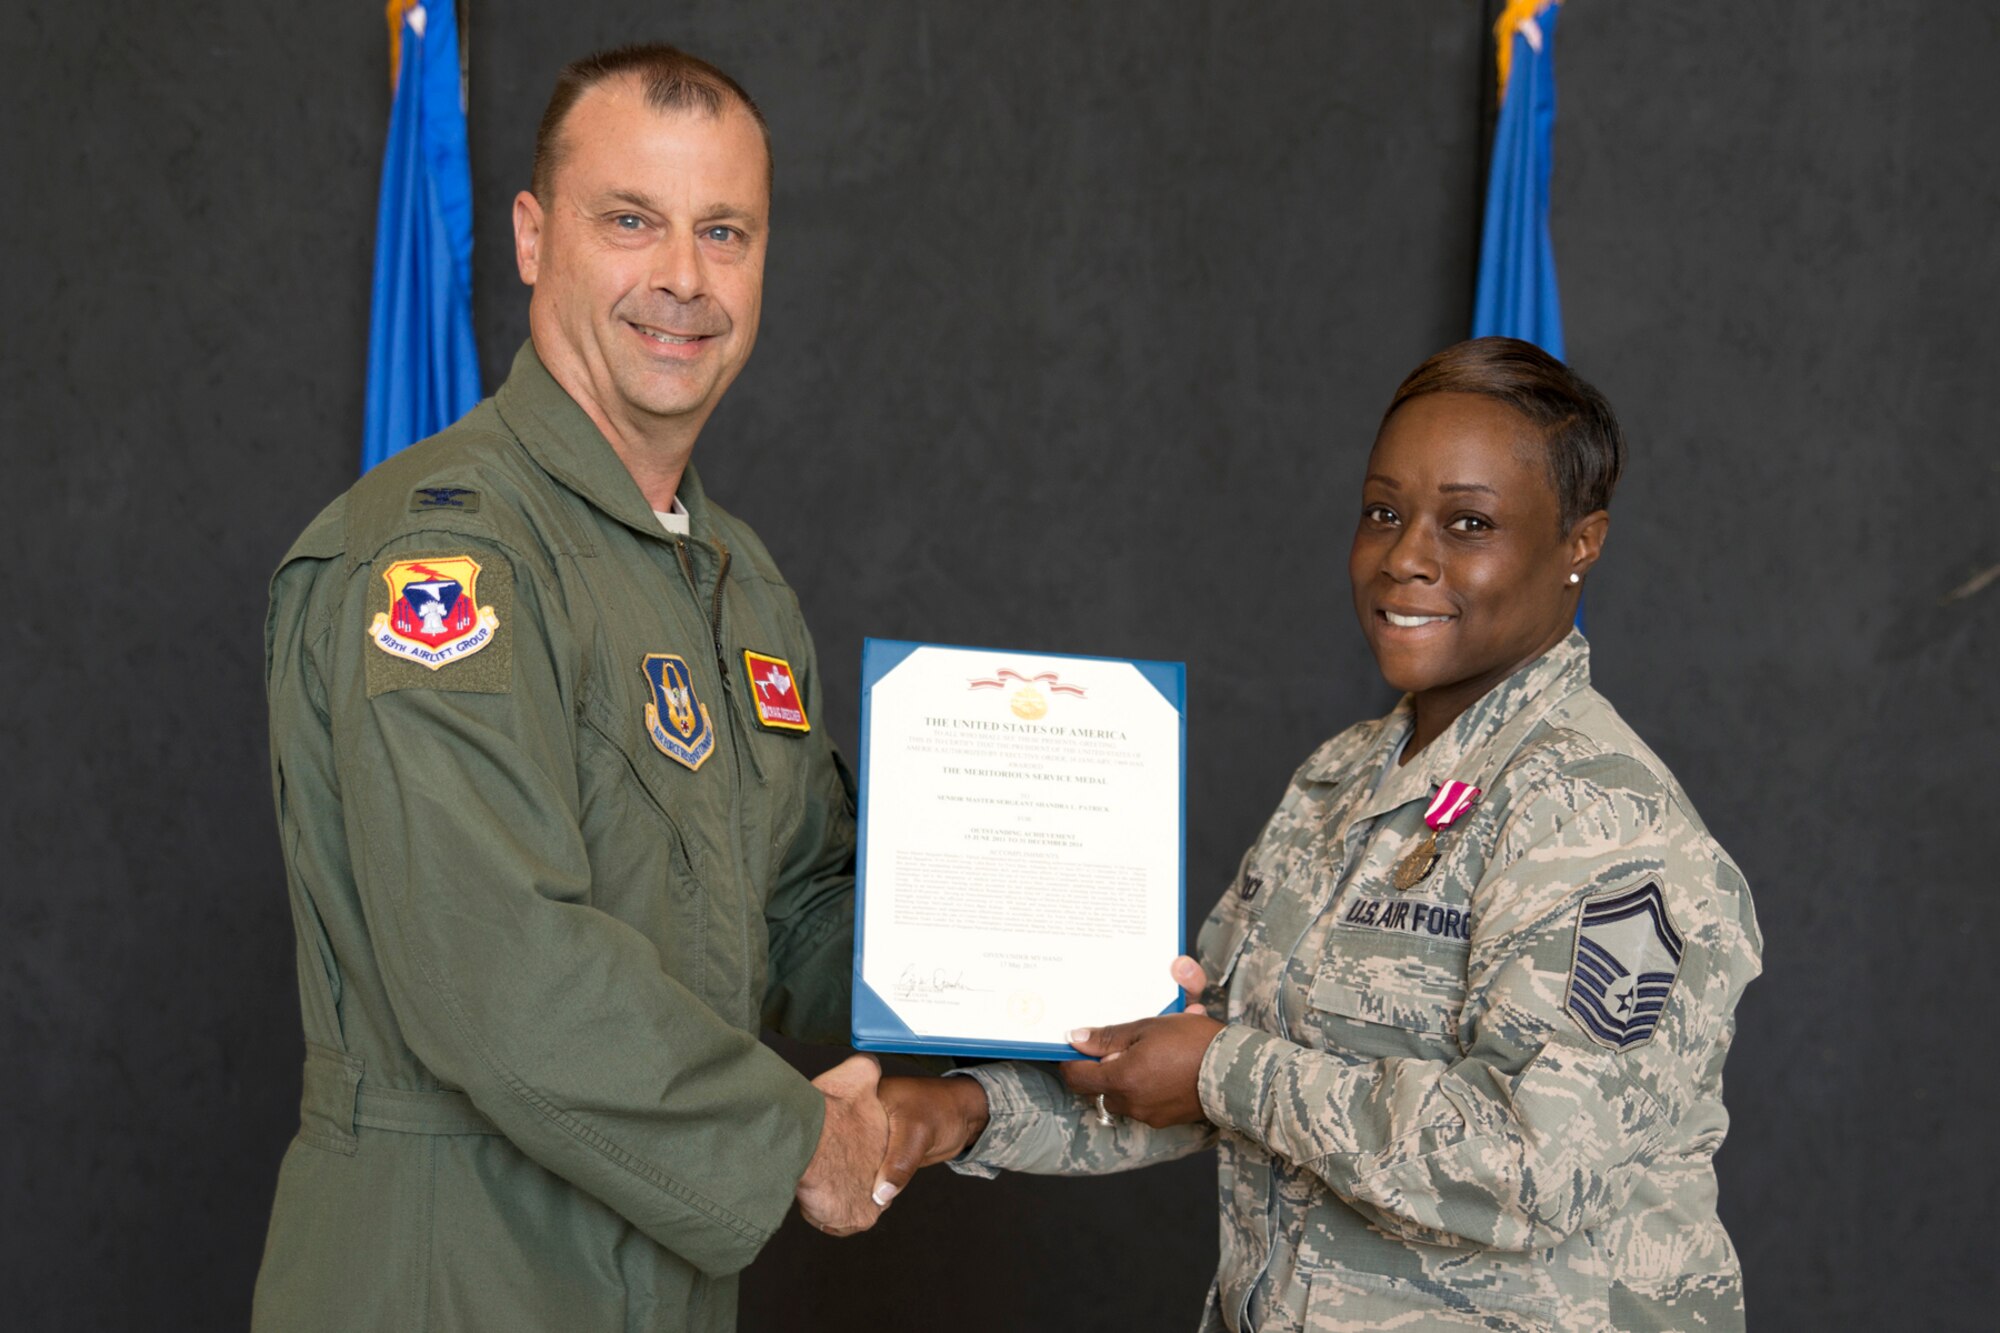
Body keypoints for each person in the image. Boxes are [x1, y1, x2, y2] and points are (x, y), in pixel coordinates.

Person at [866, 338, 1763, 1332]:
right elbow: (1183, 1053)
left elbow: (1533, 1168)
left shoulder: (1600, 823)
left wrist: (1219, 1068)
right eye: (1383, 510)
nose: (1404, 555)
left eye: (1467, 522)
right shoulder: (1341, 779)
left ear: (1578, 544)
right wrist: (957, 1115)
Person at [252, 44, 889, 1333]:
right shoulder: (445, 561)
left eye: (725, 231)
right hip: (449, 1273)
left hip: (653, 1281)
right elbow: (497, 975)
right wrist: (794, 1144)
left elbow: (798, 909)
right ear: (533, 238)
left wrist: (1037, 992)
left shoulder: (734, 578)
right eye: (630, 222)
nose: (684, 280)